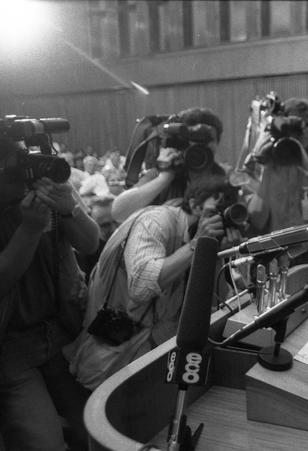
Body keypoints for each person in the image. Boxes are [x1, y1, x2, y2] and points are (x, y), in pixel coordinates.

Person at [69, 176, 241, 390]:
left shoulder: (198, 237)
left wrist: (217, 256)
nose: (223, 216)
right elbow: (141, 286)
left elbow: (213, 306)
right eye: (219, 207)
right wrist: (198, 244)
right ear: (196, 205)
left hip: (152, 356)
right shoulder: (156, 222)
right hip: (112, 355)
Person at [0, 138, 100, 450]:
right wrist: (29, 229)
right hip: (11, 348)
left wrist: (70, 210)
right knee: (44, 444)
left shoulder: (41, 193)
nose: (23, 171)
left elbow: (90, 243)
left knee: (96, 429)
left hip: (60, 333)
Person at [111, 107, 227, 223]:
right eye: (195, 139)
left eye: (208, 139)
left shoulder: (225, 178)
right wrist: (164, 178)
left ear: (217, 143)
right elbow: (118, 212)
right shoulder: (162, 174)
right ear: (182, 141)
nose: (201, 146)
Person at [247, 97, 308, 233]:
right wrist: (268, 167)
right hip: (277, 249)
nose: (301, 132)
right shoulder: (265, 162)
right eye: (295, 126)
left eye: (307, 125)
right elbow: (257, 220)